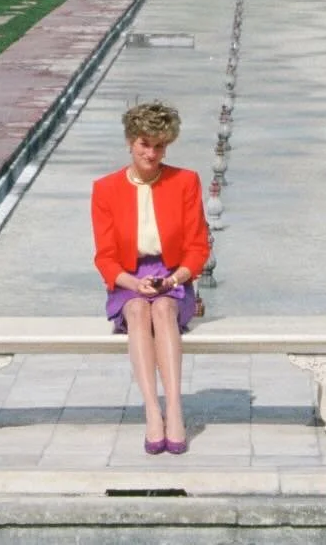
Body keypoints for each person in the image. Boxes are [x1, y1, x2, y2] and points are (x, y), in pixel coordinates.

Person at [92, 100, 210, 455]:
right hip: (128, 279)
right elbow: (106, 257)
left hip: (173, 278)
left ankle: (174, 408)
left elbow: (198, 248)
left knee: (161, 309)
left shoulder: (185, 181)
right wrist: (132, 283)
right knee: (139, 311)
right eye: (145, 143)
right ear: (130, 142)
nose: (152, 153)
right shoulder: (106, 189)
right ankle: (152, 411)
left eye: (159, 145)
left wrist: (174, 281)